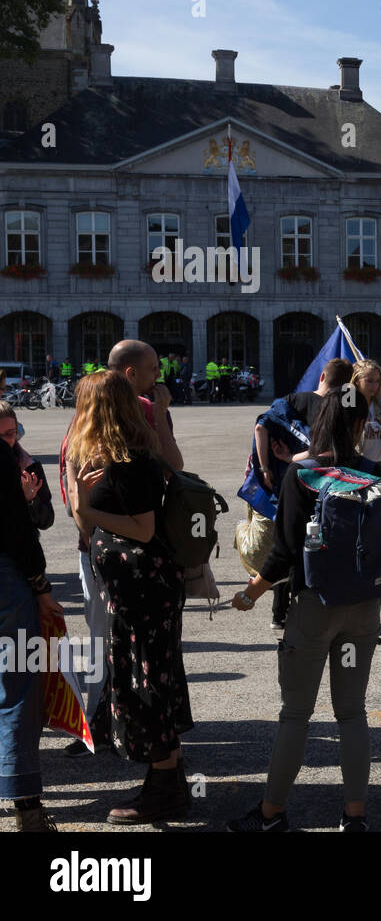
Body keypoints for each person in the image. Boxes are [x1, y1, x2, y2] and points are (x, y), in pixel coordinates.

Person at [224, 388, 381, 832]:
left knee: (296, 714)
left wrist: (251, 593)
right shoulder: (374, 472)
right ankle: (355, 816)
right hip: (363, 606)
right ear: (360, 425)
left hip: (315, 604)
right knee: (352, 712)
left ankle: (272, 813)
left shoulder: (302, 474)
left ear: (317, 424)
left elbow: (286, 551)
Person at [65, 370, 192, 824]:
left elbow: (142, 528)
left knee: (150, 682)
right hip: (127, 592)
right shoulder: (103, 459)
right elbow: (89, 528)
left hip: (145, 591)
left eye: (83, 403)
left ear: (98, 408)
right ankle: (169, 782)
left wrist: (86, 505)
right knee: (145, 678)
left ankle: (165, 788)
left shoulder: (133, 460)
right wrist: (82, 497)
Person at [254, 357, 354, 631]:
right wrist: (293, 457)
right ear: (347, 386)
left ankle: (279, 611)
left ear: (322, 376)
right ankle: (318, 599)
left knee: (286, 540)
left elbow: (260, 427)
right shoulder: (339, 409)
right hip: (324, 483)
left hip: (291, 481)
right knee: (317, 542)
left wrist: (265, 468)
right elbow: (326, 449)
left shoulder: (291, 400)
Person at [0, 426, 60, 831]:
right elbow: (17, 531)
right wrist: (40, 586)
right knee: (18, 685)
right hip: (6, 582)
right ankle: (28, 810)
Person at [107, 339, 183, 470]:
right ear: (132, 374)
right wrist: (160, 415)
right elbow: (172, 468)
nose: (159, 375)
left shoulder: (90, 408)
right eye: (153, 369)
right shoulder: (150, 411)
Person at [0, 402, 53, 531]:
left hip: (22, 548)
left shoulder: (29, 467)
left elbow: (46, 521)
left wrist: (31, 500)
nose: (4, 441)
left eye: (10, 434)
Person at [352, 359, 381, 472]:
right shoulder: (349, 407)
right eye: (369, 381)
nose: (375, 385)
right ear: (357, 381)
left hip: (380, 466)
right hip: (358, 467)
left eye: (377, 381)